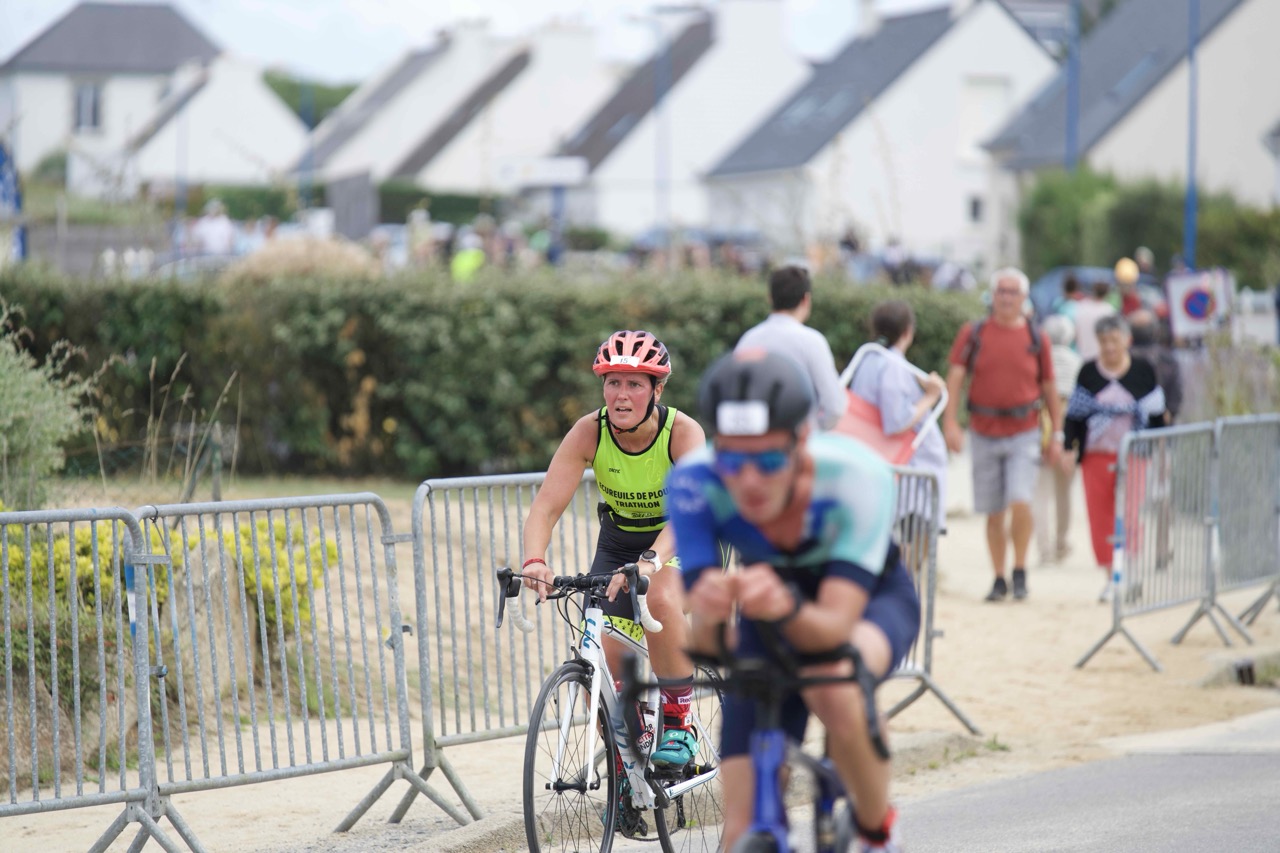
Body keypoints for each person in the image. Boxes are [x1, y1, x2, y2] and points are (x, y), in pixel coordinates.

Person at [667, 349, 920, 853]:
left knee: (837, 684)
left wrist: (783, 608)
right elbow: (711, 645)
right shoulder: (694, 482)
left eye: (768, 460)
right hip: (767, 608)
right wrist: (712, 616)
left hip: (865, 601)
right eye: (732, 460)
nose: (749, 480)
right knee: (740, 829)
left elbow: (832, 628)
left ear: (802, 440)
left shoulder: (854, 476)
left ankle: (876, 832)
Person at [520, 330, 705, 770]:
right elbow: (545, 507)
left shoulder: (682, 433)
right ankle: (629, 760)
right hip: (620, 541)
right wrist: (534, 560)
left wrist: (651, 562)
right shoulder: (589, 431)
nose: (621, 395)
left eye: (634, 384)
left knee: (659, 598)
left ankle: (680, 723)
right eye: (613, 382)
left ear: (657, 390)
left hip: (683, 537)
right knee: (599, 651)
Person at [943, 268, 1063, 602]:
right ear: (992, 296)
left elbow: (1049, 387)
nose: (1006, 298)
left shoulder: (1037, 338)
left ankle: (1020, 569)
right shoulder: (974, 333)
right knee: (993, 510)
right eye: (1001, 291)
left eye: (1013, 292)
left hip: (1024, 431)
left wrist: (1057, 434)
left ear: (1023, 298)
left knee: (1020, 499)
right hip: (983, 431)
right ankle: (999, 577)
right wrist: (950, 422)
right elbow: (955, 376)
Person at [1061, 315, 1168, 601]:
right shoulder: (1088, 372)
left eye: (1114, 340)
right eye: (1104, 341)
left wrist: (1161, 450)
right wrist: (1069, 447)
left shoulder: (1143, 371)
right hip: (1096, 455)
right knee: (1101, 515)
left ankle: (1129, 570)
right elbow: (1075, 415)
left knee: (1131, 513)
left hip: (1135, 454)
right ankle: (1111, 576)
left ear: (1126, 340)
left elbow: (1157, 415)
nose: (1109, 346)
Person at [848, 300, 948, 532]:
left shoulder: (869, 359)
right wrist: (930, 397)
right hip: (906, 470)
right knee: (911, 539)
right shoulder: (891, 365)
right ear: (907, 331)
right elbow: (897, 420)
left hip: (884, 464)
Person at [736, 264, 847, 430]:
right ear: (806, 299)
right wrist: (817, 429)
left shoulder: (748, 340)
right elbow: (835, 406)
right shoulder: (812, 341)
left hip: (754, 438)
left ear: (770, 298)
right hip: (800, 439)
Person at [1032, 314, 1082, 566]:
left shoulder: (1040, 360)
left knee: (1041, 493)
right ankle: (1061, 542)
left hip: (1042, 430)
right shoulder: (1077, 363)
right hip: (1069, 432)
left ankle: (1044, 549)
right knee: (1064, 492)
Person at [1128, 308, 1182, 423]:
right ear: (1156, 331)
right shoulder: (1167, 358)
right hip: (1162, 420)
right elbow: (1176, 392)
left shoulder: (1124, 359)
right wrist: (1171, 411)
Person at [1073, 279, 1117, 362]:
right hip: (1101, 357)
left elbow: (1076, 332)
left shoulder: (1081, 306)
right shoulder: (1109, 310)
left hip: (1082, 354)